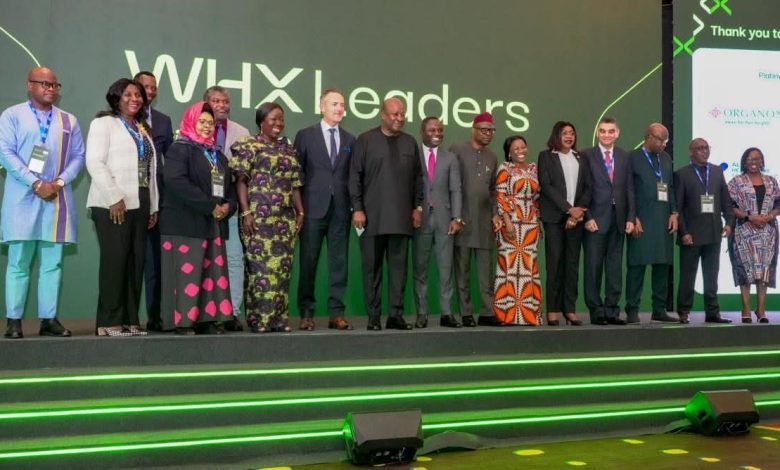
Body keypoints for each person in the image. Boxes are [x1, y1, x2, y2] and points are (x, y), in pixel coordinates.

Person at [0, 66, 85, 339]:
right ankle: (14, 321)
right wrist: (35, 182)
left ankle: (48, 320)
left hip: (56, 198)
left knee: (52, 263)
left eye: (54, 85)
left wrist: (57, 183)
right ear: (29, 85)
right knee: (19, 262)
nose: (50, 89)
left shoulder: (69, 120)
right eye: (44, 84)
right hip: (21, 198)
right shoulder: (12, 115)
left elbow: (79, 157)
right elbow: (5, 153)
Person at [85, 78, 159, 336]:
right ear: (116, 97)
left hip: (141, 200)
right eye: (128, 94)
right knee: (115, 262)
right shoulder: (103, 123)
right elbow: (94, 162)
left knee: (135, 262)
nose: (134, 99)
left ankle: (130, 319)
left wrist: (153, 206)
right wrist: (114, 196)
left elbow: (150, 170)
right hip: (112, 203)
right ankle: (108, 321)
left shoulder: (142, 128)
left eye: (138, 95)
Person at [159, 101, 236, 334]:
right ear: (191, 122)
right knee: (186, 275)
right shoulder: (179, 149)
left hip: (212, 225)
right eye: (202, 121)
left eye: (210, 123)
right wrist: (211, 206)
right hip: (184, 224)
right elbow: (176, 181)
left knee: (210, 274)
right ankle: (182, 322)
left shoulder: (217, 155)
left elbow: (229, 189)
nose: (206, 126)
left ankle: (206, 320)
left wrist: (227, 206)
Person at [349, 97, 424, 331]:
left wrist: (418, 207)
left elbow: (418, 178)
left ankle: (395, 316)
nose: (399, 118)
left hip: (401, 220)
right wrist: (357, 208)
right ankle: (373, 318)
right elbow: (354, 177)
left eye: (402, 114)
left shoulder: (410, 142)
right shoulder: (365, 140)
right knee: (372, 271)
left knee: (399, 272)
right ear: (383, 115)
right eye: (394, 114)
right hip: (371, 219)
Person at [230, 102, 303, 333]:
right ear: (261, 121)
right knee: (259, 270)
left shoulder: (288, 149)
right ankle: (258, 319)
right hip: (257, 218)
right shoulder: (248, 144)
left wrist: (300, 212)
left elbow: (295, 184)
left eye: (281, 119)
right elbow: (240, 180)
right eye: (273, 119)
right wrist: (246, 212)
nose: (278, 123)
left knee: (282, 271)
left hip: (285, 219)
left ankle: (279, 319)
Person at [293, 89, 355, 331]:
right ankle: (306, 313)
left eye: (342, 104)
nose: (339, 108)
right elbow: (296, 174)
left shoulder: (350, 140)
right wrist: (299, 209)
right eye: (334, 104)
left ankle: (336, 313)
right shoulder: (305, 135)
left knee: (339, 263)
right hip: (312, 209)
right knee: (308, 262)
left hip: (340, 210)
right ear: (322, 106)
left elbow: (352, 177)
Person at [581, 117, 635, 325]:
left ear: (617, 133)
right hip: (595, 219)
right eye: (603, 131)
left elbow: (629, 188)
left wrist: (630, 217)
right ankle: (596, 311)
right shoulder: (587, 155)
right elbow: (581, 189)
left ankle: (612, 311)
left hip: (618, 219)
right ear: (598, 133)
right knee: (593, 267)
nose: (606, 134)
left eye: (611, 131)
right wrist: (587, 217)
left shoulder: (624, 156)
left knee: (614, 269)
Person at [205, 86, 250, 331]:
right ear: (206, 104)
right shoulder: (195, 130)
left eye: (225, 101)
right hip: (202, 206)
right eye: (216, 101)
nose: (222, 105)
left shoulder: (242, 132)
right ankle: (206, 313)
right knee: (204, 259)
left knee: (233, 258)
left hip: (230, 205)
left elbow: (245, 174)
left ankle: (231, 311)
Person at [674, 138, 733, 324]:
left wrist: (729, 223)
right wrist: (683, 232)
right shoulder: (682, 174)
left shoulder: (716, 171)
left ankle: (712, 312)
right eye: (699, 148)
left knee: (711, 276)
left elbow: (726, 201)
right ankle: (684, 311)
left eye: (706, 148)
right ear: (691, 152)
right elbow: (678, 207)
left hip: (714, 233)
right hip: (691, 235)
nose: (704, 151)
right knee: (687, 276)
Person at [537, 121, 591, 326]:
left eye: (572, 133)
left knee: (572, 265)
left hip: (576, 219)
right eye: (564, 133)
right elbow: (547, 186)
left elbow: (588, 187)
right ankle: (552, 310)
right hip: (554, 218)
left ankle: (569, 309)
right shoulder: (546, 156)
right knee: (555, 264)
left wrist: (576, 214)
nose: (569, 136)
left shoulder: (581, 157)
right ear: (556, 136)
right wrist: (569, 209)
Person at [412, 117, 463, 329]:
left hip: (445, 219)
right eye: (432, 130)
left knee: (445, 269)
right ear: (422, 132)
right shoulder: (413, 155)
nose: (437, 133)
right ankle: (421, 313)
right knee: (420, 269)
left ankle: (446, 313)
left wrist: (457, 217)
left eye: (440, 130)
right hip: (420, 220)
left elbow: (456, 189)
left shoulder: (450, 158)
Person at [451, 112, 501, 327]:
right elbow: (452, 184)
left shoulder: (492, 156)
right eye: (483, 130)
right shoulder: (457, 150)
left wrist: (495, 213)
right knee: (462, 271)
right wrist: (455, 215)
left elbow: (492, 190)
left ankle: (487, 312)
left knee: (485, 272)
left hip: (484, 222)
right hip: (462, 220)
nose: (488, 134)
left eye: (491, 130)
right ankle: (466, 313)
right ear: (473, 129)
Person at [625, 123, 678, 323]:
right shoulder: (632, 157)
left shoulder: (666, 158)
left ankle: (659, 309)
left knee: (662, 265)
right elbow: (628, 189)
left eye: (666, 141)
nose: (664, 144)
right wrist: (633, 217)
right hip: (641, 219)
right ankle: (632, 309)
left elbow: (670, 187)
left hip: (663, 218)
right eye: (660, 140)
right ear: (648, 137)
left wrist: (674, 212)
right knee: (637, 266)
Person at [133, 71, 173, 332]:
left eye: (153, 87)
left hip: (157, 199)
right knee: (131, 261)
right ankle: (128, 317)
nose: (149, 91)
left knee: (155, 263)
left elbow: (170, 159)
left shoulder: (163, 121)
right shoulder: (121, 119)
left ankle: (155, 315)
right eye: (144, 86)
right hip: (128, 197)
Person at [493, 135, 541, 326]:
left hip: (530, 225)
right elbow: (500, 195)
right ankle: (508, 315)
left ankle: (529, 315)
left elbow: (537, 198)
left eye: (523, 147)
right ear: (509, 152)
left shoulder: (533, 169)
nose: (521, 151)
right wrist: (507, 222)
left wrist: (538, 221)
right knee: (510, 268)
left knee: (528, 269)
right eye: (516, 148)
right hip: (511, 223)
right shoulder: (505, 168)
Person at [728, 147, 780, 324]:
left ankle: (761, 309)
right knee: (746, 270)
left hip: (767, 232)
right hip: (744, 231)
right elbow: (730, 206)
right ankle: (745, 308)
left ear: (762, 161)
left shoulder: (771, 181)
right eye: (750, 159)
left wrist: (769, 216)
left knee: (763, 271)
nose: (754, 162)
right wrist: (750, 217)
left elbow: (779, 204)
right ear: (744, 162)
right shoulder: (736, 182)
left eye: (757, 159)